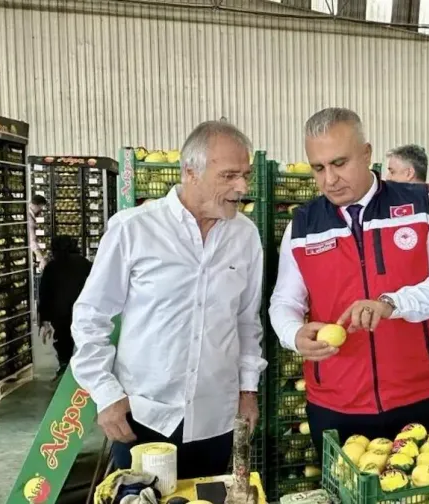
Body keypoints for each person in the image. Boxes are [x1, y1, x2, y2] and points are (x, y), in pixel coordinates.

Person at [70, 121, 267, 477]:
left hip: (216, 418)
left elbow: (246, 321)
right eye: (229, 176)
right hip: (143, 416)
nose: (242, 188)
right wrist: (106, 393)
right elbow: (91, 315)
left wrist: (248, 391)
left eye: (246, 175)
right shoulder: (134, 229)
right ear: (190, 172)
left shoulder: (245, 236)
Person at [269, 108, 429, 455]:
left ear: (367, 154)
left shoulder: (421, 206)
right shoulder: (302, 226)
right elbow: (284, 300)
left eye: (340, 163)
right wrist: (292, 334)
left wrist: (392, 304)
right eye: (318, 167)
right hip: (335, 405)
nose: (329, 179)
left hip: (416, 399)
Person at [385, 144, 429, 398]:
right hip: (414, 300)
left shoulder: (428, 205)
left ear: (409, 174)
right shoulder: (416, 202)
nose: (386, 178)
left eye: (392, 171)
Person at [38, 236, 92, 380]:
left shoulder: (52, 267)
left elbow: (45, 293)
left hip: (60, 313)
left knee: (63, 341)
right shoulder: (85, 264)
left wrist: (44, 319)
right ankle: (83, 372)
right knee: (83, 341)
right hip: (83, 310)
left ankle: (65, 369)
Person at [27, 194, 48, 271]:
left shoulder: (28, 214)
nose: (41, 210)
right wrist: (42, 259)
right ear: (35, 205)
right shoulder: (29, 219)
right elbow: (32, 242)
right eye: (41, 207)